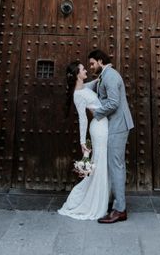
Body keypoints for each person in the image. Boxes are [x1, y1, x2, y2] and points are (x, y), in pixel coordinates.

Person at [85, 49, 134, 224]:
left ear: (100, 61)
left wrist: (96, 111)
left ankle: (120, 210)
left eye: (92, 64)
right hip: (113, 126)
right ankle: (115, 203)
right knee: (113, 165)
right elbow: (95, 85)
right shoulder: (104, 76)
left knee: (116, 165)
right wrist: (78, 86)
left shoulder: (111, 76)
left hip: (118, 126)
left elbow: (113, 102)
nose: (91, 67)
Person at [58, 61, 109, 220]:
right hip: (99, 128)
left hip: (103, 125)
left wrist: (106, 70)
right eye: (83, 69)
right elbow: (83, 119)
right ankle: (93, 203)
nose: (86, 70)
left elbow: (97, 81)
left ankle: (102, 199)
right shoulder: (78, 95)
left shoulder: (84, 87)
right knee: (99, 164)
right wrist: (82, 143)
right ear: (77, 74)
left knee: (102, 162)